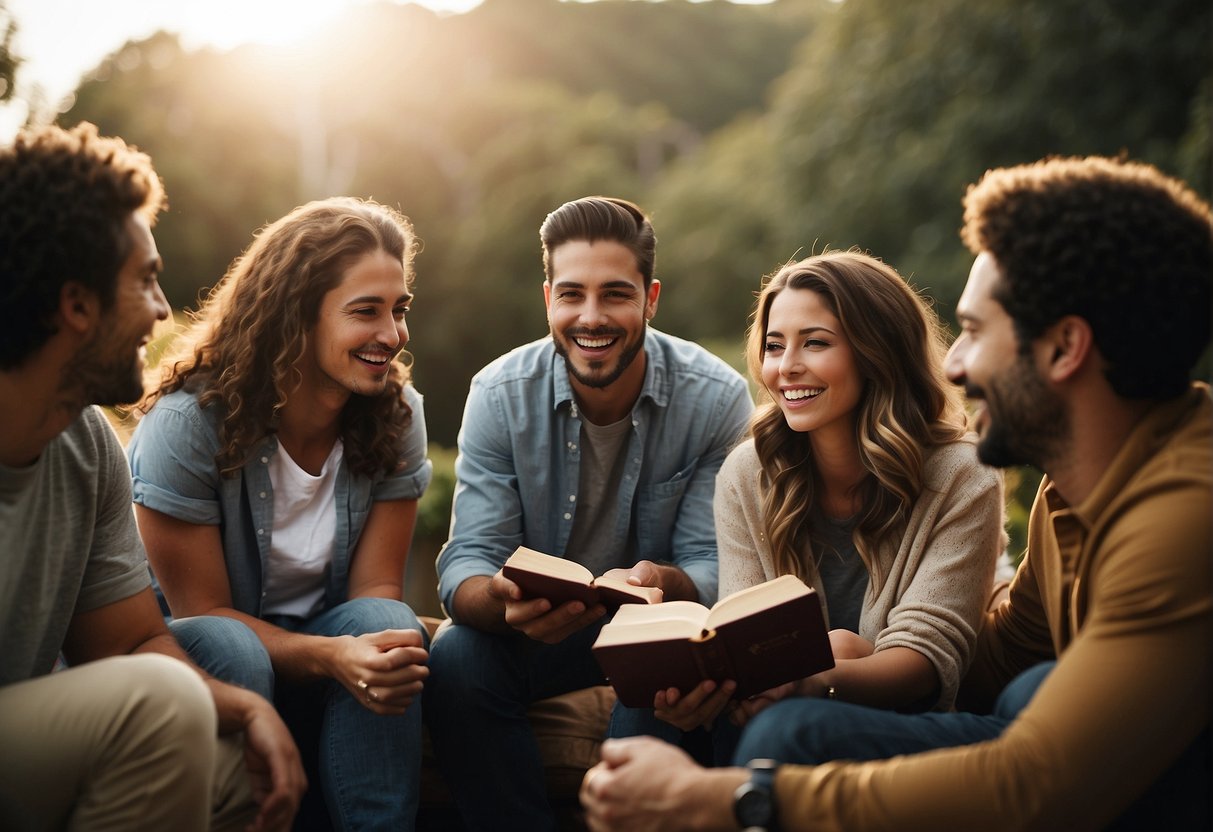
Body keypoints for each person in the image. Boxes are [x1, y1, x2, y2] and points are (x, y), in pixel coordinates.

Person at [580, 155, 1212, 831]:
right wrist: (821, 663)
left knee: (792, 737)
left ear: (1064, 347)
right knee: (1028, 688)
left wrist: (730, 797)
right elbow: (998, 659)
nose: (955, 365)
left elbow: (1037, 781)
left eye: (972, 332)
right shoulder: (1073, 495)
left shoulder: (1186, 514)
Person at [0, 122, 306, 831]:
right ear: (77, 304)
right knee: (165, 712)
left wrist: (246, 706)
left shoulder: (87, 446)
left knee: (234, 767)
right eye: (144, 279)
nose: (164, 309)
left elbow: (131, 642)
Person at [424, 195, 753, 830]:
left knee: (662, 655)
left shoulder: (716, 398)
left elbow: (714, 567)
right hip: (537, 636)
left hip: (655, 627)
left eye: (616, 295)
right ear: (548, 297)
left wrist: (662, 583)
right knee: (459, 656)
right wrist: (499, 597)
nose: (591, 317)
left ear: (651, 299)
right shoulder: (498, 395)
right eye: (572, 294)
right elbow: (465, 561)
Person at [615, 251, 1002, 761]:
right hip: (766, 706)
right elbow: (744, 634)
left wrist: (818, 678)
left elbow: (925, 659)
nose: (786, 367)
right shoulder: (748, 472)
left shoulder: (962, 474)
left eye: (815, 343)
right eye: (774, 346)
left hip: (880, 720)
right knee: (649, 703)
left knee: (793, 710)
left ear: (877, 351)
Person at [126, 197, 432, 831]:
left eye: (398, 310)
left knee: (388, 621)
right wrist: (331, 656)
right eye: (365, 312)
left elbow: (375, 590)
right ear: (297, 314)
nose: (392, 335)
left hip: (325, 637)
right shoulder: (188, 422)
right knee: (232, 645)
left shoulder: (397, 417)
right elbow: (199, 612)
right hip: (200, 652)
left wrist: (361, 650)